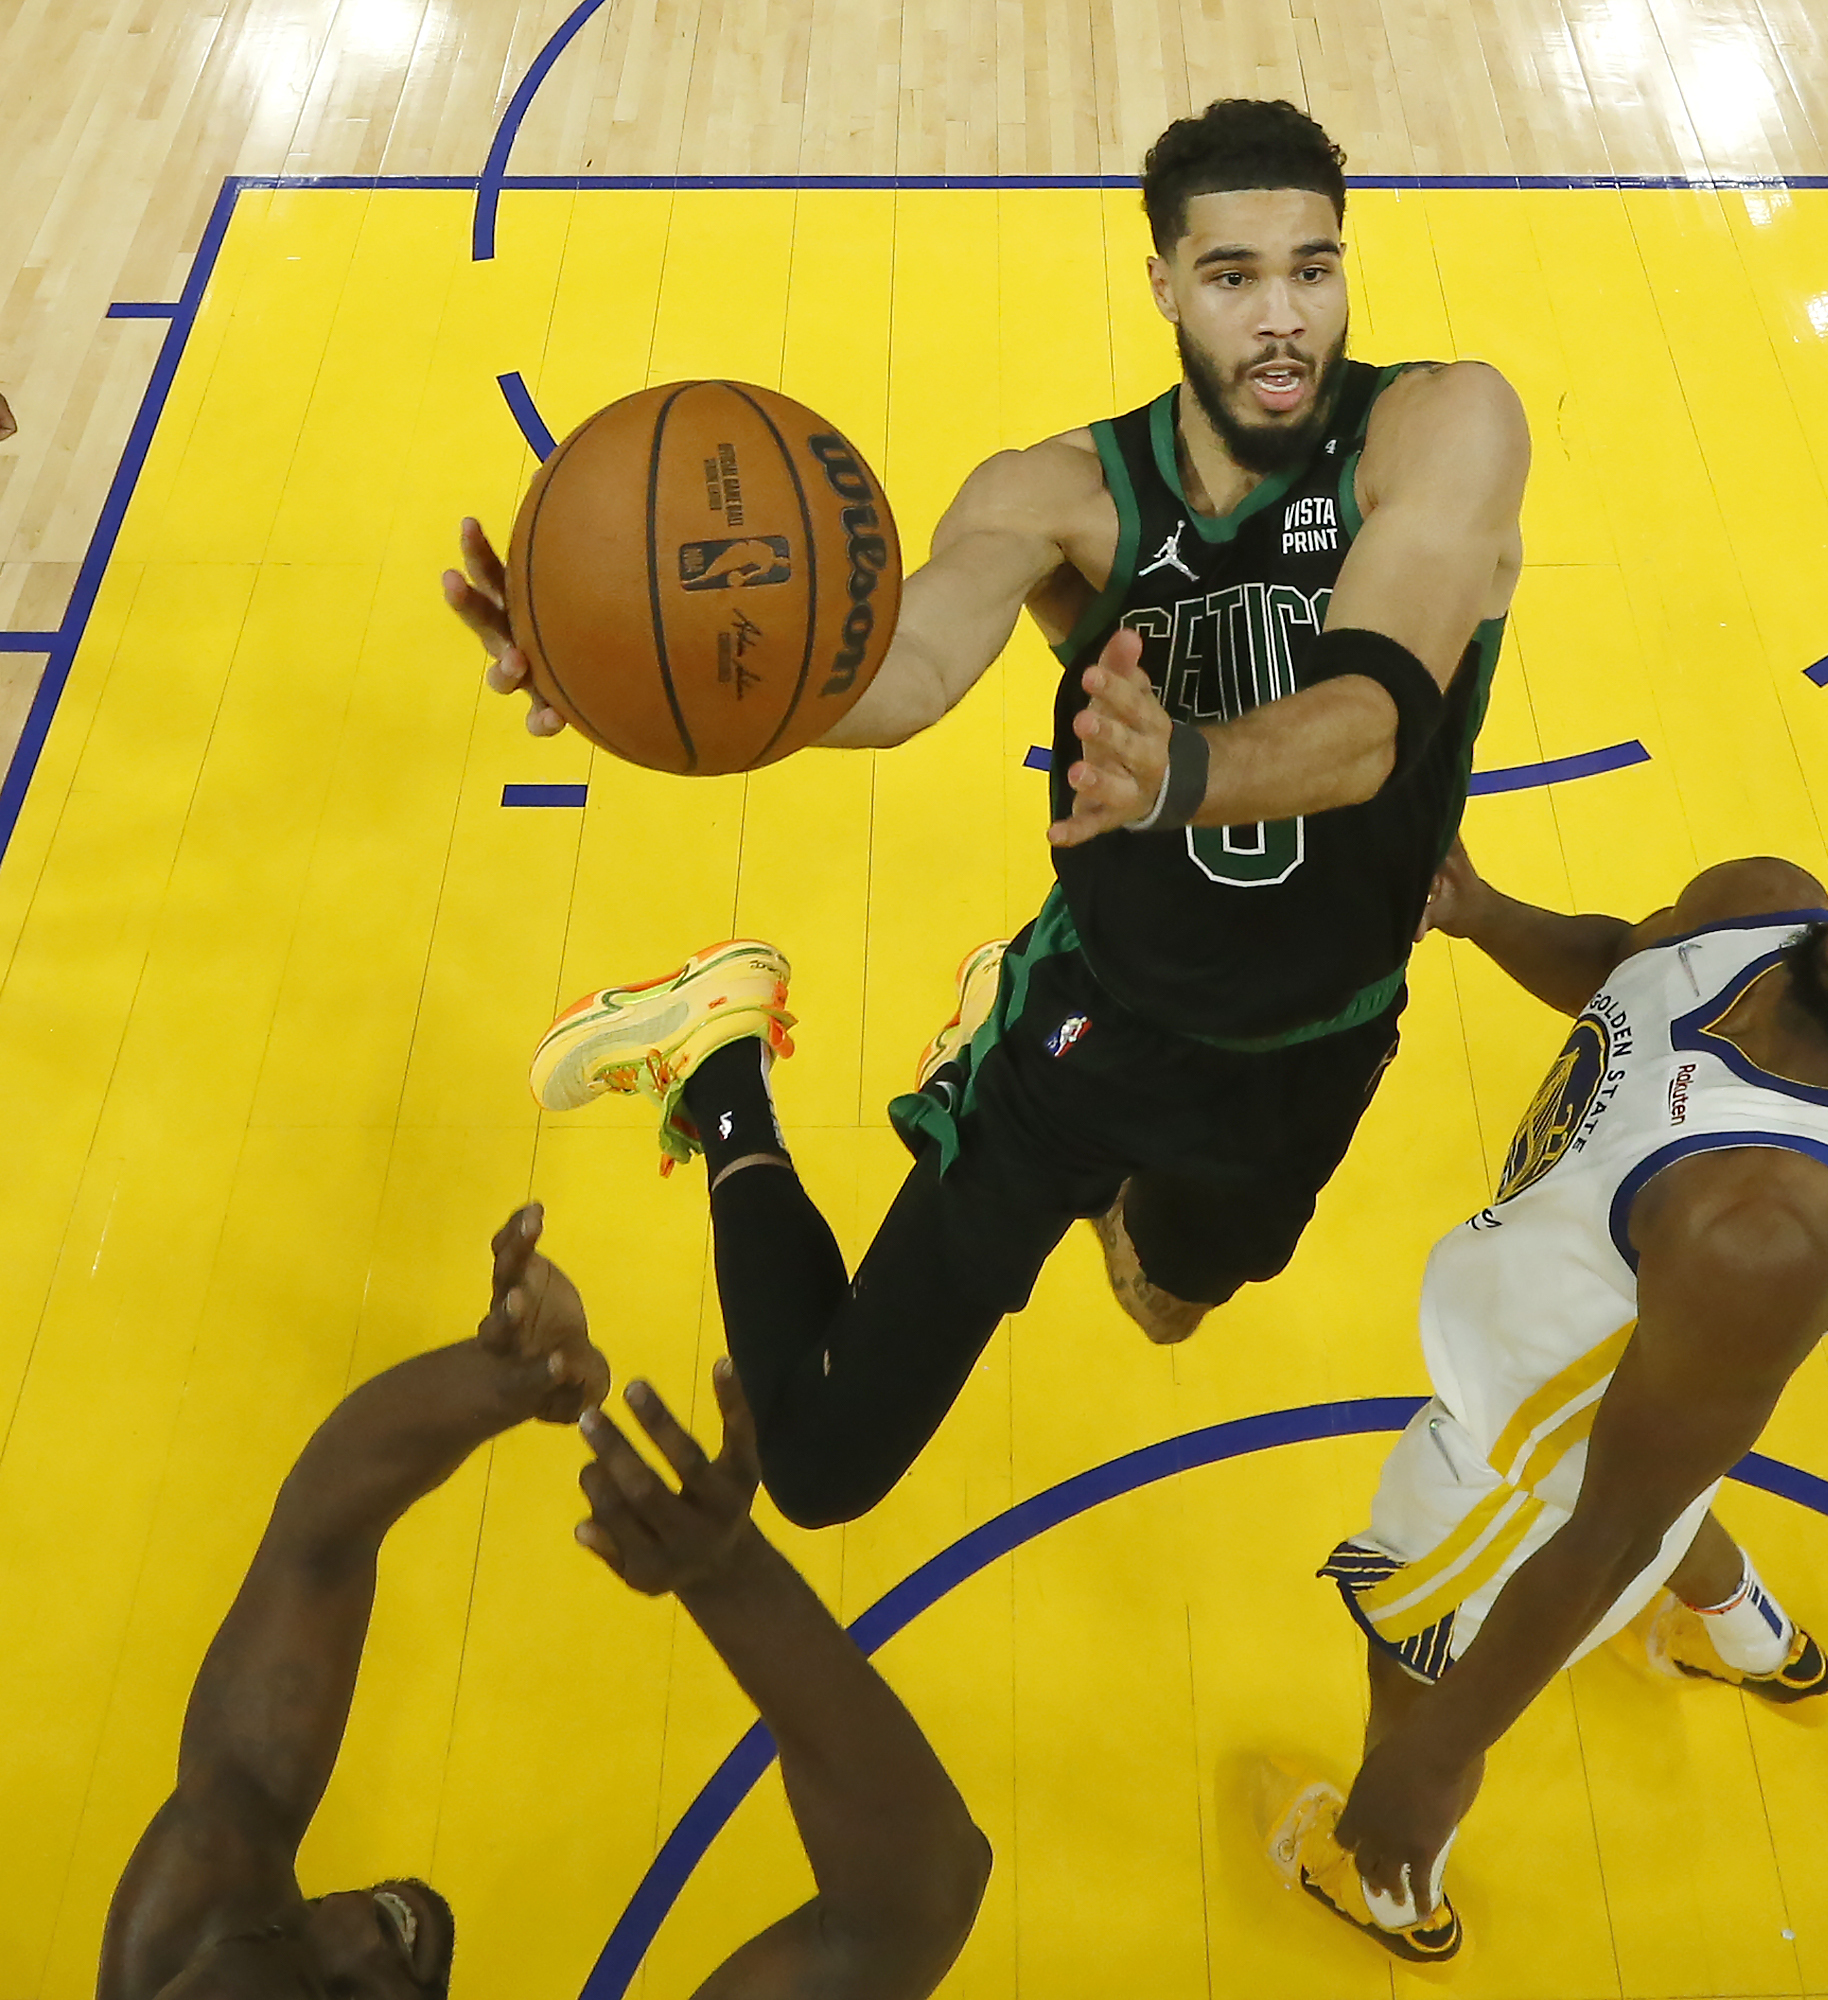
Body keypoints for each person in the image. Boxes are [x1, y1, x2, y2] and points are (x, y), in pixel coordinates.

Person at [442, 98, 1528, 1530]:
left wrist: (1175, 772)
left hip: (1320, 1039)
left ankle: (1089, 1174)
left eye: (1312, 271)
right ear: (1161, 282)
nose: (1283, 322)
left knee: (1161, 1303)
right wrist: (638, 670)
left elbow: (1371, 723)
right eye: (1233, 276)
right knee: (822, 1464)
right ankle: (724, 1073)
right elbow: (905, 670)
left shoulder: (1440, 427)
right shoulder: (1062, 493)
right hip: (1094, 1021)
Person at [1275, 827, 1828, 1964]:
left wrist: (1428, 1763)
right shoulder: (1767, 906)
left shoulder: (1766, 1225)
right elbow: (1624, 967)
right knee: (1667, 1466)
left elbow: (1610, 1528)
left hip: (1524, 1475)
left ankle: (1389, 1891)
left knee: (1416, 1644)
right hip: (1619, 1397)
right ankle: (1752, 1641)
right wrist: (1481, 908)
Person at [98, 1208, 992, 2000]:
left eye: (282, 1937)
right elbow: (913, 1905)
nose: (349, 1927)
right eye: (342, 1998)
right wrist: (729, 1579)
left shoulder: (182, 1941)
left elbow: (317, 1545)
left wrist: (508, 1380)